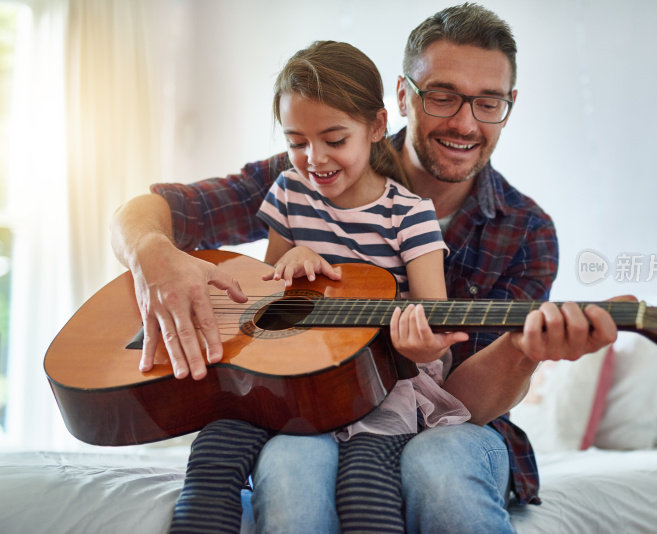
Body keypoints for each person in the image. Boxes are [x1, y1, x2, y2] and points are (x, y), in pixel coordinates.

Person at [111, 3, 618, 533]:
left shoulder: (528, 232)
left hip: (448, 420)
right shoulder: (315, 166)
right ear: (401, 99)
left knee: (437, 466)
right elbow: (146, 212)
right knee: (286, 465)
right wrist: (155, 260)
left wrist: (520, 350)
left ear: (509, 107)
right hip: (308, 408)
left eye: (488, 102)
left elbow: (462, 402)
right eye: (443, 96)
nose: (466, 122)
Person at [168, 40, 471, 534]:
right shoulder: (289, 191)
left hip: (378, 387)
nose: (314, 158)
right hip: (285, 378)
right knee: (212, 457)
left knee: (366, 493)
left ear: (375, 127)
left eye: (334, 139)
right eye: (297, 142)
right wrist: (291, 258)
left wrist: (420, 344)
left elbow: (431, 317)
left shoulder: (410, 215)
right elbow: (268, 301)